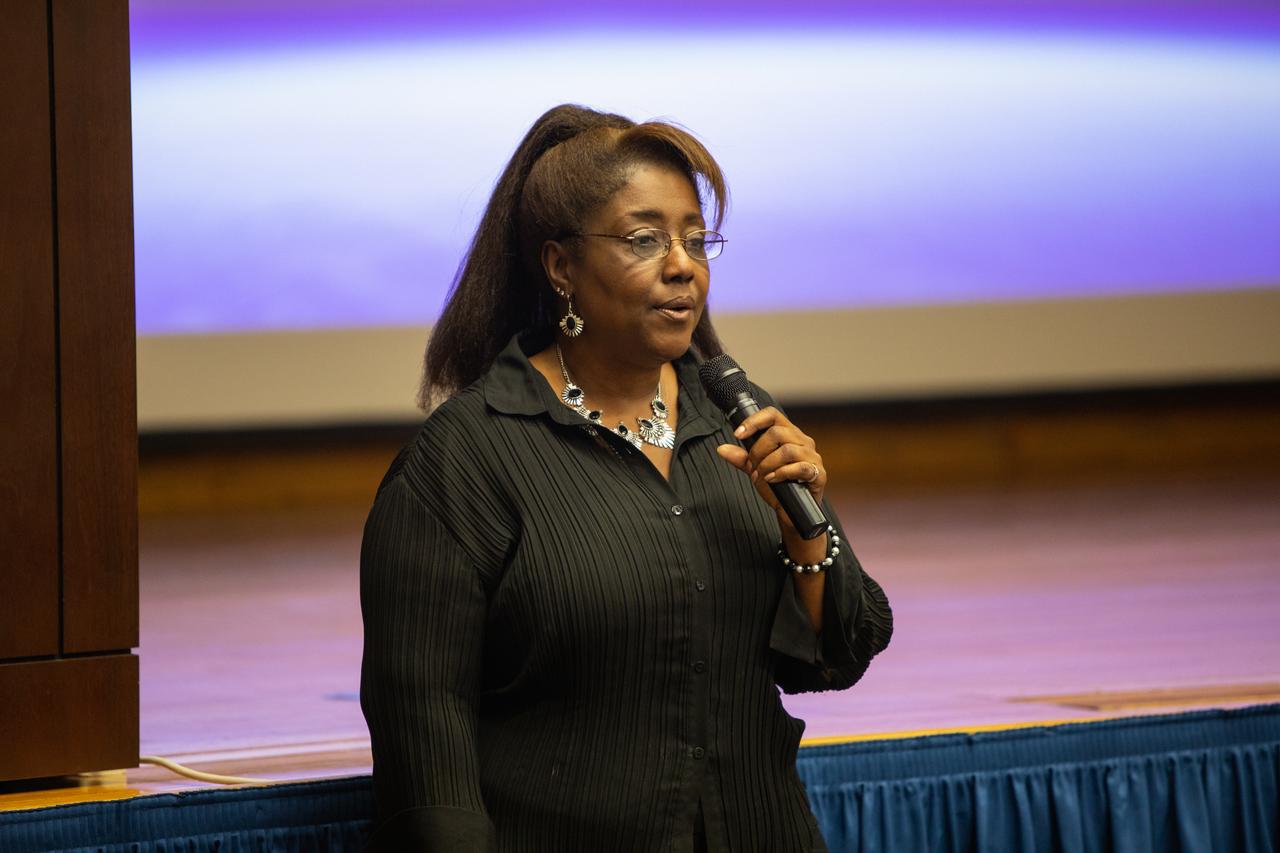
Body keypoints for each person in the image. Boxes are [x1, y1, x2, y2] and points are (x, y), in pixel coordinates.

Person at [359, 103, 893, 852]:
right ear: (561, 267)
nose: (682, 264)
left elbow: (841, 651)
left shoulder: (738, 420)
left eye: (696, 240)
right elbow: (425, 736)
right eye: (645, 239)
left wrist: (802, 531)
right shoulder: (466, 461)